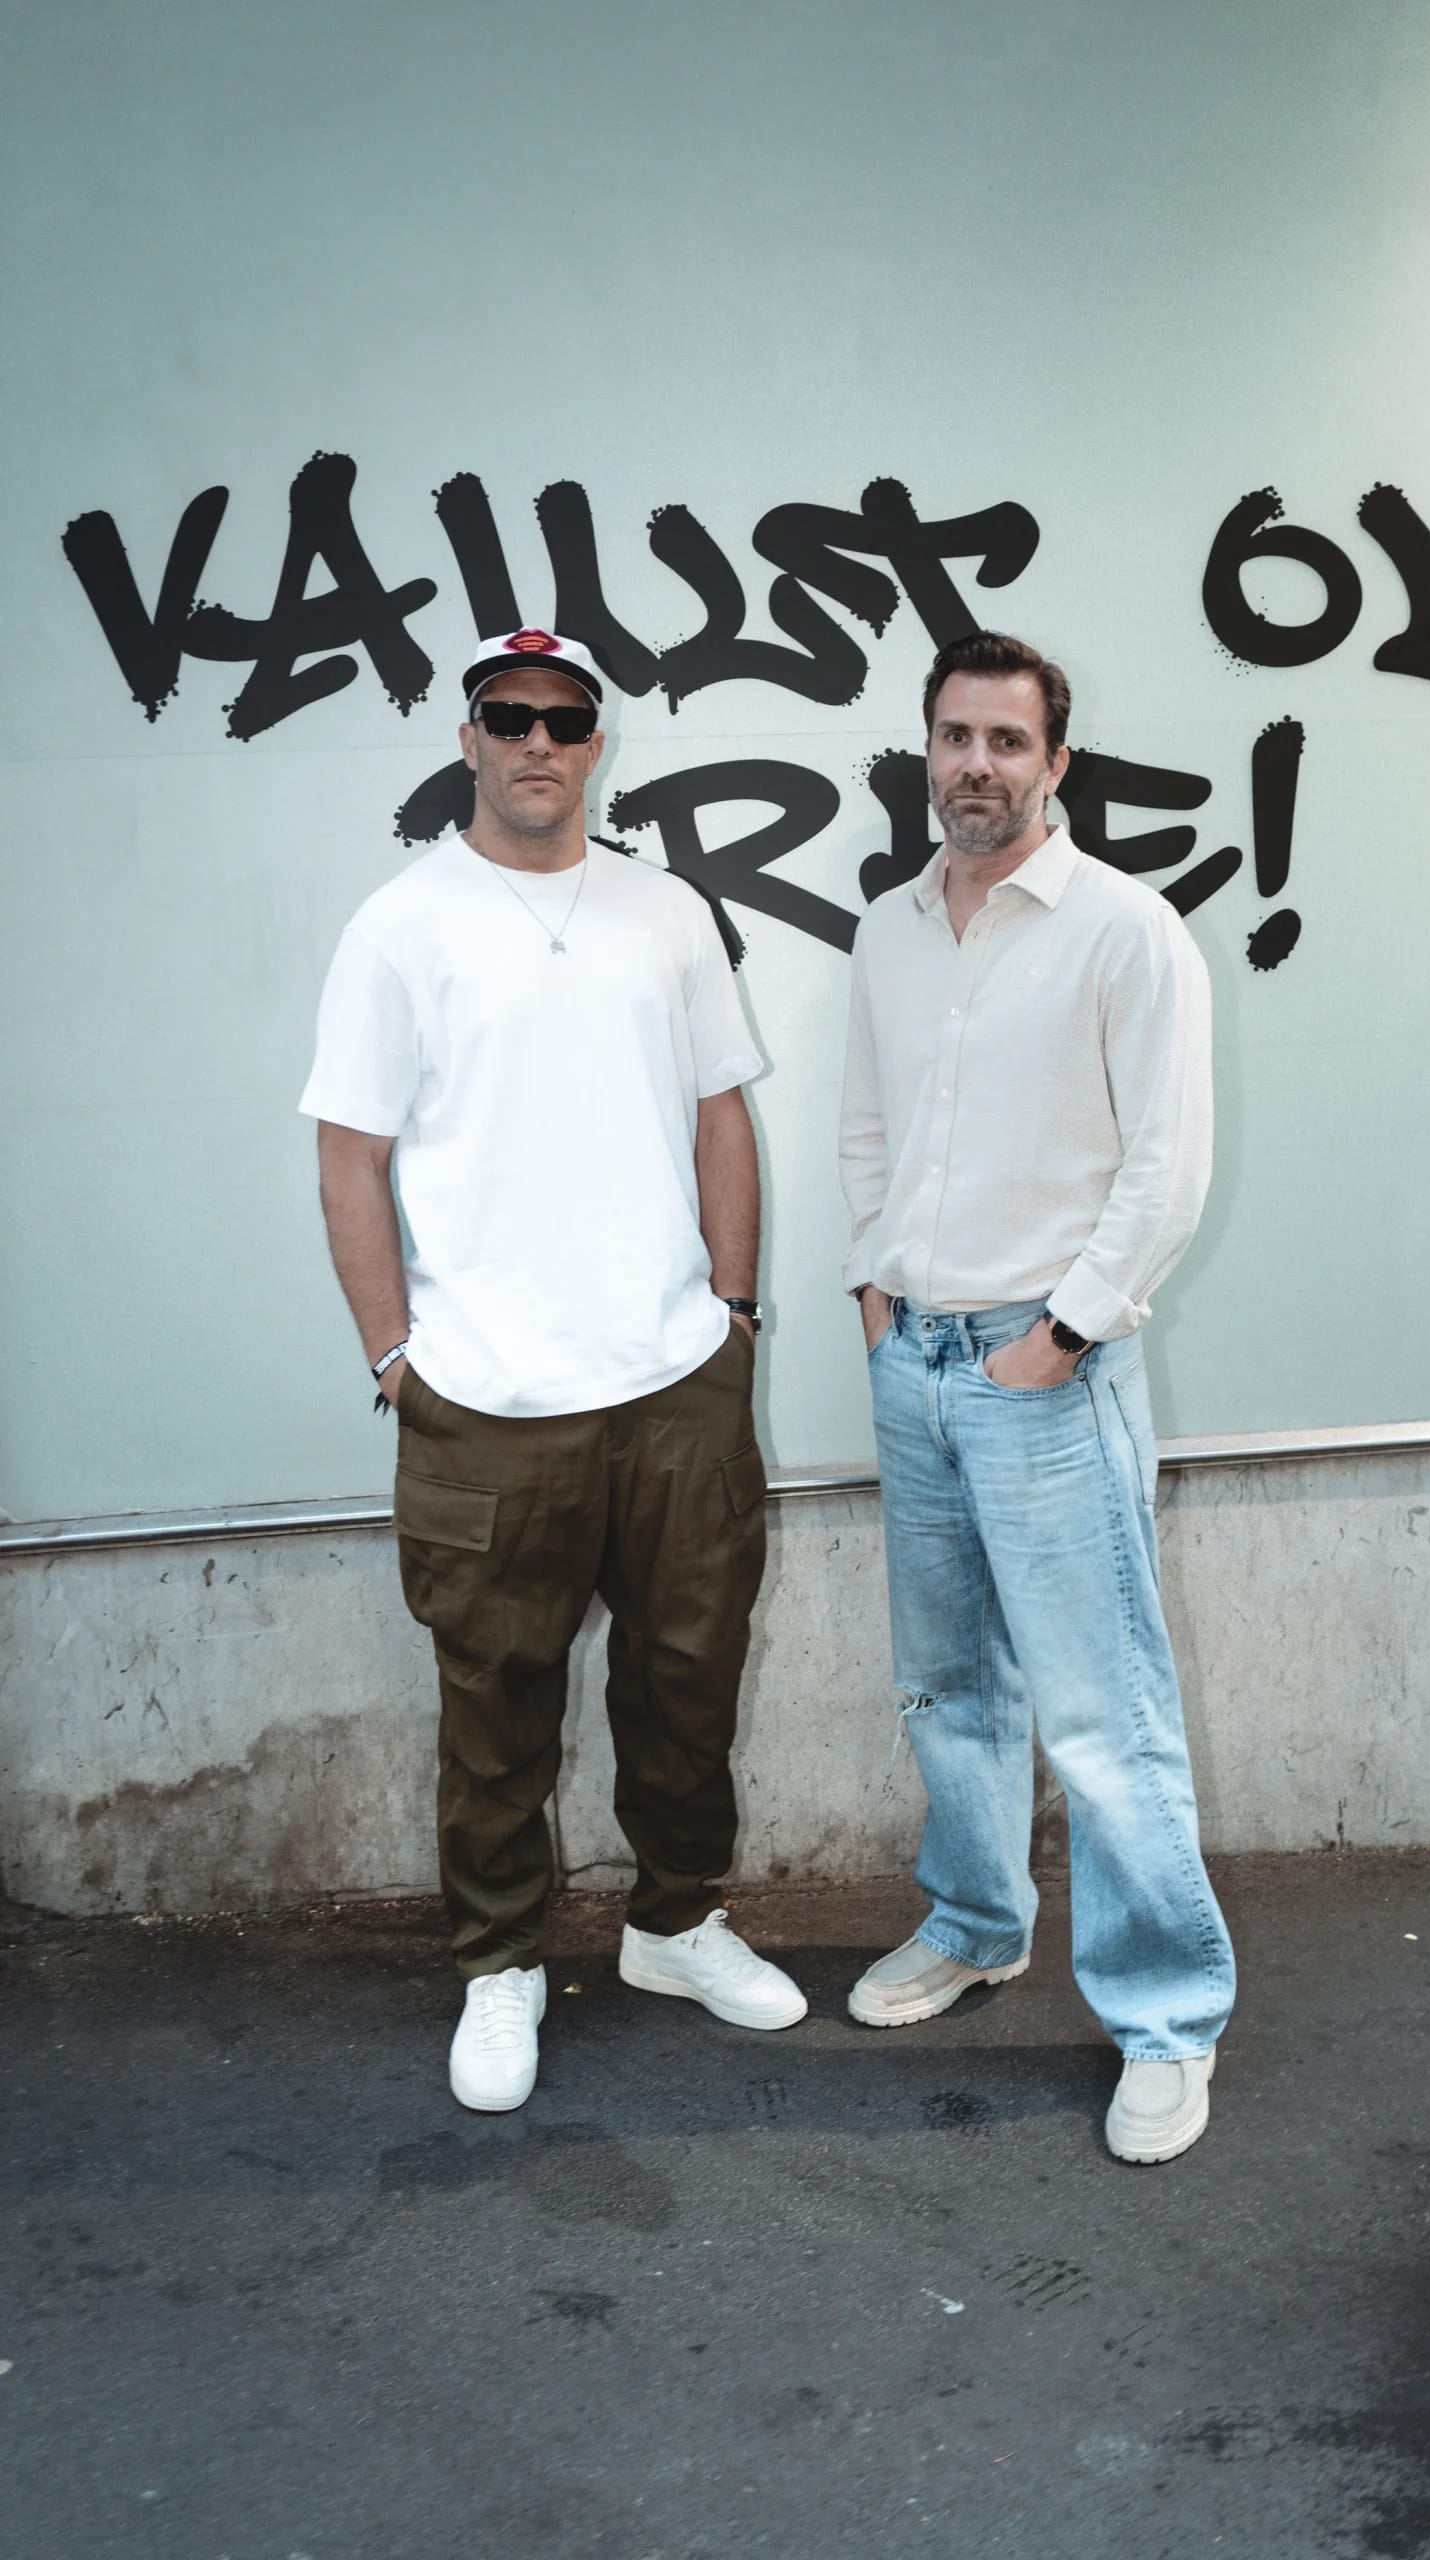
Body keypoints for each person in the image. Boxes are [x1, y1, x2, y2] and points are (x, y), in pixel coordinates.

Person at [301, 624, 805, 2113]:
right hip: (487, 1402)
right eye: (509, 715)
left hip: (673, 1386)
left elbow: (721, 1115)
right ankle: (501, 1965)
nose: (538, 740)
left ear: (597, 744)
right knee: (496, 1705)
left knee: (688, 1682)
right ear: (468, 738)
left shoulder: (665, 912)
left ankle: (676, 1924)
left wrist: (734, 1318)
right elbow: (350, 1155)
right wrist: (394, 1354)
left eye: (566, 719)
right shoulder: (401, 927)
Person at [838, 628, 1235, 2164]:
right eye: (957, 736)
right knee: (949, 1683)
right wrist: (875, 1287)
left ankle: (1167, 2021)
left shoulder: (1125, 931)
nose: (978, 765)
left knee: (1100, 1711)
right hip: (916, 1360)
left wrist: (1057, 1339)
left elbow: (1168, 1168)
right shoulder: (888, 931)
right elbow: (869, 1127)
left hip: (1043, 1370)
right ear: (926, 750)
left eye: (1009, 741)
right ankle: (974, 1922)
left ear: (1056, 763)